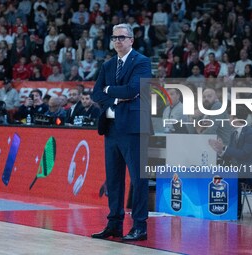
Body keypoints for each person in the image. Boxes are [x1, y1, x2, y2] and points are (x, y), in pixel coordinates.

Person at [91, 23, 151, 241]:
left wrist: (110, 91)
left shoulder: (142, 62)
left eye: (122, 37)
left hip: (135, 129)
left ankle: (140, 226)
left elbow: (134, 89)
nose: (118, 40)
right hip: (112, 128)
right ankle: (114, 224)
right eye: (115, 37)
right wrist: (116, 96)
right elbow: (96, 93)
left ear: (131, 40)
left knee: (138, 179)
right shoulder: (107, 65)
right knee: (114, 180)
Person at [208, 105, 252, 219]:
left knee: (233, 178)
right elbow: (231, 154)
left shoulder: (251, 133)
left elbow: (243, 154)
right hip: (238, 168)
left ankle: (236, 211)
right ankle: (220, 208)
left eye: (230, 117)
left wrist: (225, 147)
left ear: (236, 119)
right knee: (215, 175)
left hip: (250, 172)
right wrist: (220, 151)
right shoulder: (234, 133)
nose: (229, 120)